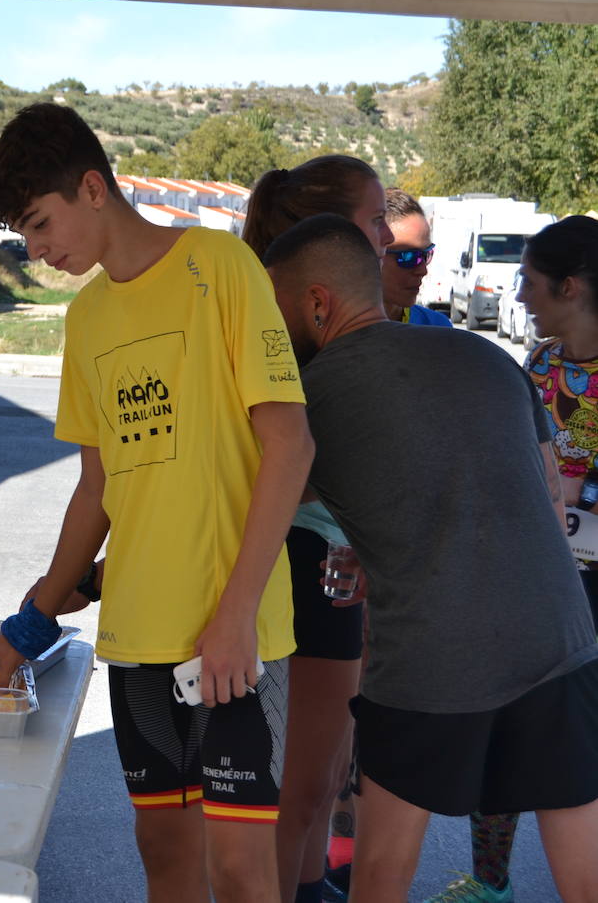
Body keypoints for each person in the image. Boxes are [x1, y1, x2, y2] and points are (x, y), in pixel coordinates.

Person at [0, 103, 313, 903]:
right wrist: (29, 623)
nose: (39, 250)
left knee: (241, 872)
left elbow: (291, 445)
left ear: (94, 187)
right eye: (25, 235)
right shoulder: (86, 319)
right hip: (139, 637)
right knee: (162, 853)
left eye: (41, 224)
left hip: (238, 634)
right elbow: (99, 487)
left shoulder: (220, 267)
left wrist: (234, 616)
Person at [263, 213, 598, 903]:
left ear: (318, 303)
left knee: (381, 871)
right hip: (558, 632)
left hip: (431, 652)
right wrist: (386, 545)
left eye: (277, 310)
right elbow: (539, 496)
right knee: (585, 871)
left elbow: (254, 519)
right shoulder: (485, 356)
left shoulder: (312, 395)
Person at [242, 153, 392, 903]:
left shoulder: (331, 333)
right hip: (306, 559)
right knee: (299, 787)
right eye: (375, 219)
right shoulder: (291, 351)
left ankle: (305, 887)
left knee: (319, 780)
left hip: (331, 558)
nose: (388, 236)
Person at [382, 188, 452, 327]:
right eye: (408, 256)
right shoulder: (333, 333)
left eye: (426, 255)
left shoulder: (437, 329)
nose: (422, 270)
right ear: (372, 254)